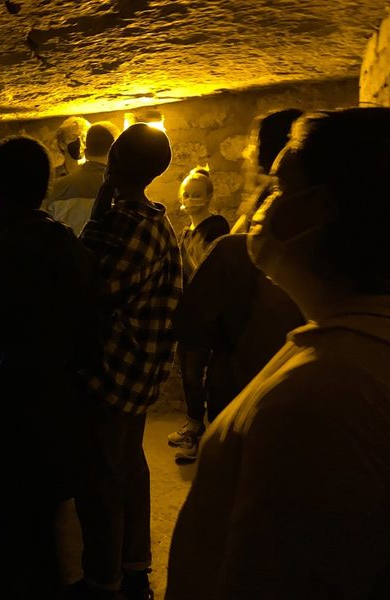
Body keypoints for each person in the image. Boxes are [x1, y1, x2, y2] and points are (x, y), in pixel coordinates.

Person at [167, 107, 390, 599]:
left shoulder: (318, 400)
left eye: (280, 186)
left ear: (321, 208)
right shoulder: (336, 345)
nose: (264, 204)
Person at [0, 136, 101, 599]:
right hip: (55, 427)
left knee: (3, 559)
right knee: (43, 547)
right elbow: (91, 346)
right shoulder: (77, 254)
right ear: (44, 188)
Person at [71, 124, 182, 600]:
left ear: (115, 161)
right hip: (140, 372)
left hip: (112, 371)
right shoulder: (156, 220)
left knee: (101, 479)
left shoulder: (123, 224)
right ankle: (134, 565)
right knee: (130, 466)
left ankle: (103, 580)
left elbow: (88, 288)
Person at [168, 110, 304, 461]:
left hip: (247, 359)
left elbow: (196, 312)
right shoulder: (270, 218)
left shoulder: (251, 228)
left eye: (252, 146)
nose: (246, 154)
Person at [46, 121, 121, 234]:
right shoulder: (121, 188)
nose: (77, 142)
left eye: (81, 137)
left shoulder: (56, 187)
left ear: (86, 152)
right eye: (72, 137)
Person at [175, 167, 229, 283]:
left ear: (208, 197)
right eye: (186, 195)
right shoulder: (185, 234)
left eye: (197, 195)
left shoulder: (216, 227)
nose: (190, 200)